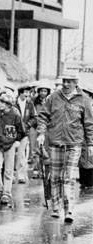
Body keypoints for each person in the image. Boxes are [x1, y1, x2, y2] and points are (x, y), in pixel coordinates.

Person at [37, 72, 93, 223]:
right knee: (55, 177)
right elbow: (42, 116)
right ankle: (56, 207)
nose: (66, 84)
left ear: (76, 82)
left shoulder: (84, 100)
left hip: (74, 143)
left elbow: (88, 123)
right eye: (64, 81)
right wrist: (41, 133)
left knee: (68, 177)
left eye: (70, 81)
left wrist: (90, 143)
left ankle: (69, 210)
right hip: (55, 142)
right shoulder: (53, 97)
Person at [0, 92, 25, 206]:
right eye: (0, 101)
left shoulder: (16, 114)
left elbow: (21, 130)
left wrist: (17, 140)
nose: (0, 104)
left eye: (3, 102)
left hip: (10, 144)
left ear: (9, 104)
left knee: (8, 170)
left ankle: (6, 193)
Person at [15, 85, 37, 184]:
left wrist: (27, 125)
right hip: (13, 131)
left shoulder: (30, 104)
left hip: (24, 132)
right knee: (11, 154)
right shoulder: (13, 103)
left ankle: (21, 175)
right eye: (25, 92)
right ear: (20, 93)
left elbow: (34, 117)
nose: (27, 94)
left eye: (28, 92)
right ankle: (10, 175)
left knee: (22, 154)